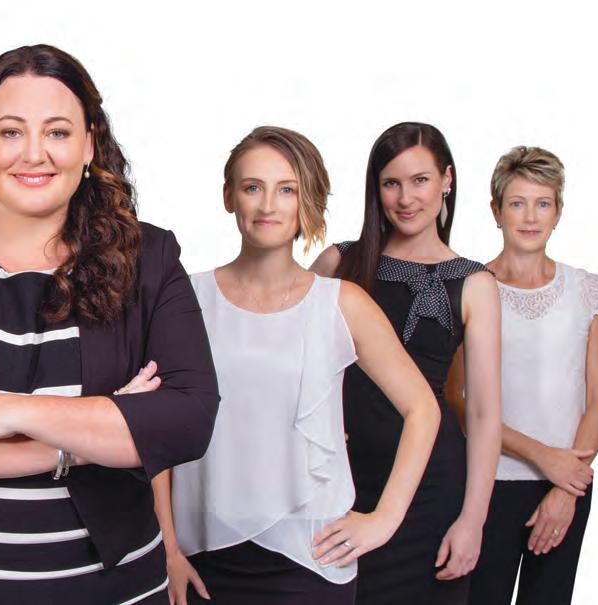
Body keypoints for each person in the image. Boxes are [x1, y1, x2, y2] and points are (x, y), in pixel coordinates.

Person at [0, 44, 220, 605]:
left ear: (89, 143)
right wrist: (83, 441)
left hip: (114, 586)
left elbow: (187, 421)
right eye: (11, 132)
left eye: (57, 132)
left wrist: (5, 411)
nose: (34, 154)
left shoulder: (150, 257)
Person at [156, 126, 440, 604]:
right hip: (201, 554)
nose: (268, 205)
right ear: (229, 197)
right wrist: (168, 549)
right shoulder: (186, 298)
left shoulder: (341, 303)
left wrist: (385, 519)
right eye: (253, 187)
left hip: (310, 554)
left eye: (286, 189)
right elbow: (158, 430)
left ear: (309, 199)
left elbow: (423, 409)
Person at [310, 122, 502, 605]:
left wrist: (473, 520)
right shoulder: (338, 262)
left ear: (447, 180)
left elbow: (483, 413)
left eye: (420, 180)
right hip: (340, 477)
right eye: (391, 183)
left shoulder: (475, 283)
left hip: (430, 491)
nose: (405, 198)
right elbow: (290, 362)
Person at [458, 146, 598, 605]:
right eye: (517, 203)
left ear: (558, 212)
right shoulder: (470, 289)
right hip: (488, 482)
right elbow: (459, 403)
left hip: (567, 485)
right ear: (496, 211)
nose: (530, 217)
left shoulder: (589, 293)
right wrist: (543, 457)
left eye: (542, 203)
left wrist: (567, 485)